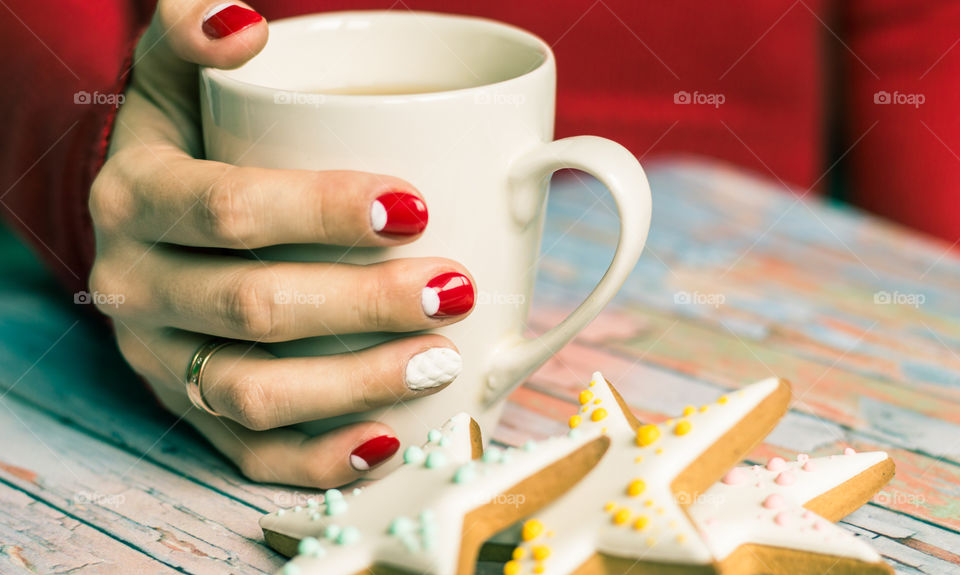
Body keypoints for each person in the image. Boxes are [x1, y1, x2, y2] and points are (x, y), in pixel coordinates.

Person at [2, 0, 957, 488]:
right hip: (152, 409)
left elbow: (924, 46)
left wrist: (926, 322)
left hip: (766, 298)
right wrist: (105, 181)